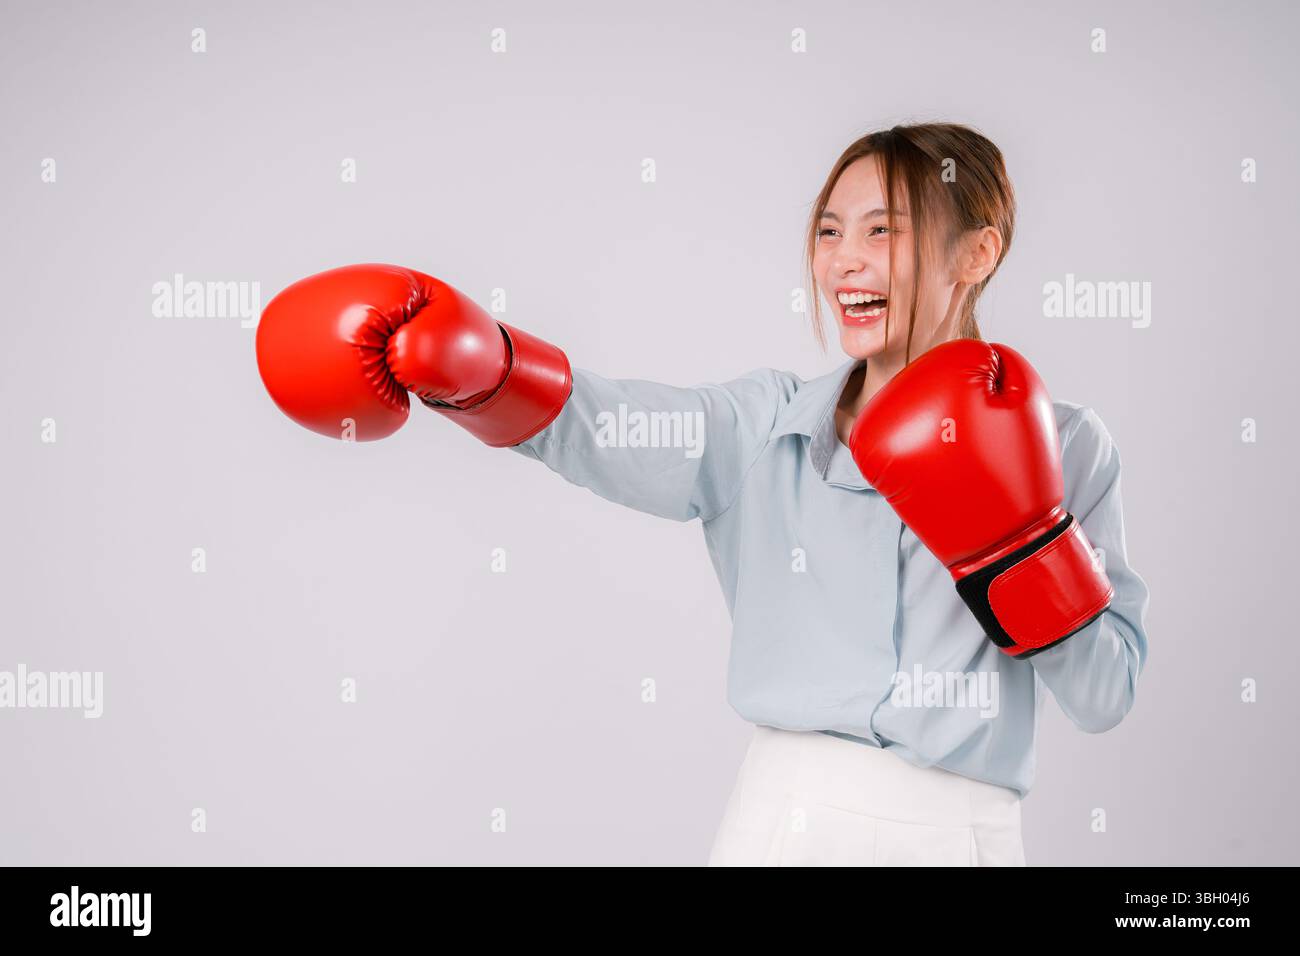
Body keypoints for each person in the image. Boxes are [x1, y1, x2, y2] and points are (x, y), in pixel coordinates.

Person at [254, 122, 1150, 866]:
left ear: (978, 251)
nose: (846, 258)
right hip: (781, 824)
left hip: (962, 833)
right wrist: (479, 367)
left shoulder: (1068, 445)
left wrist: (1021, 542)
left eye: (886, 229)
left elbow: (1106, 697)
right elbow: (600, 424)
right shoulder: (761, 426)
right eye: (829, 229)